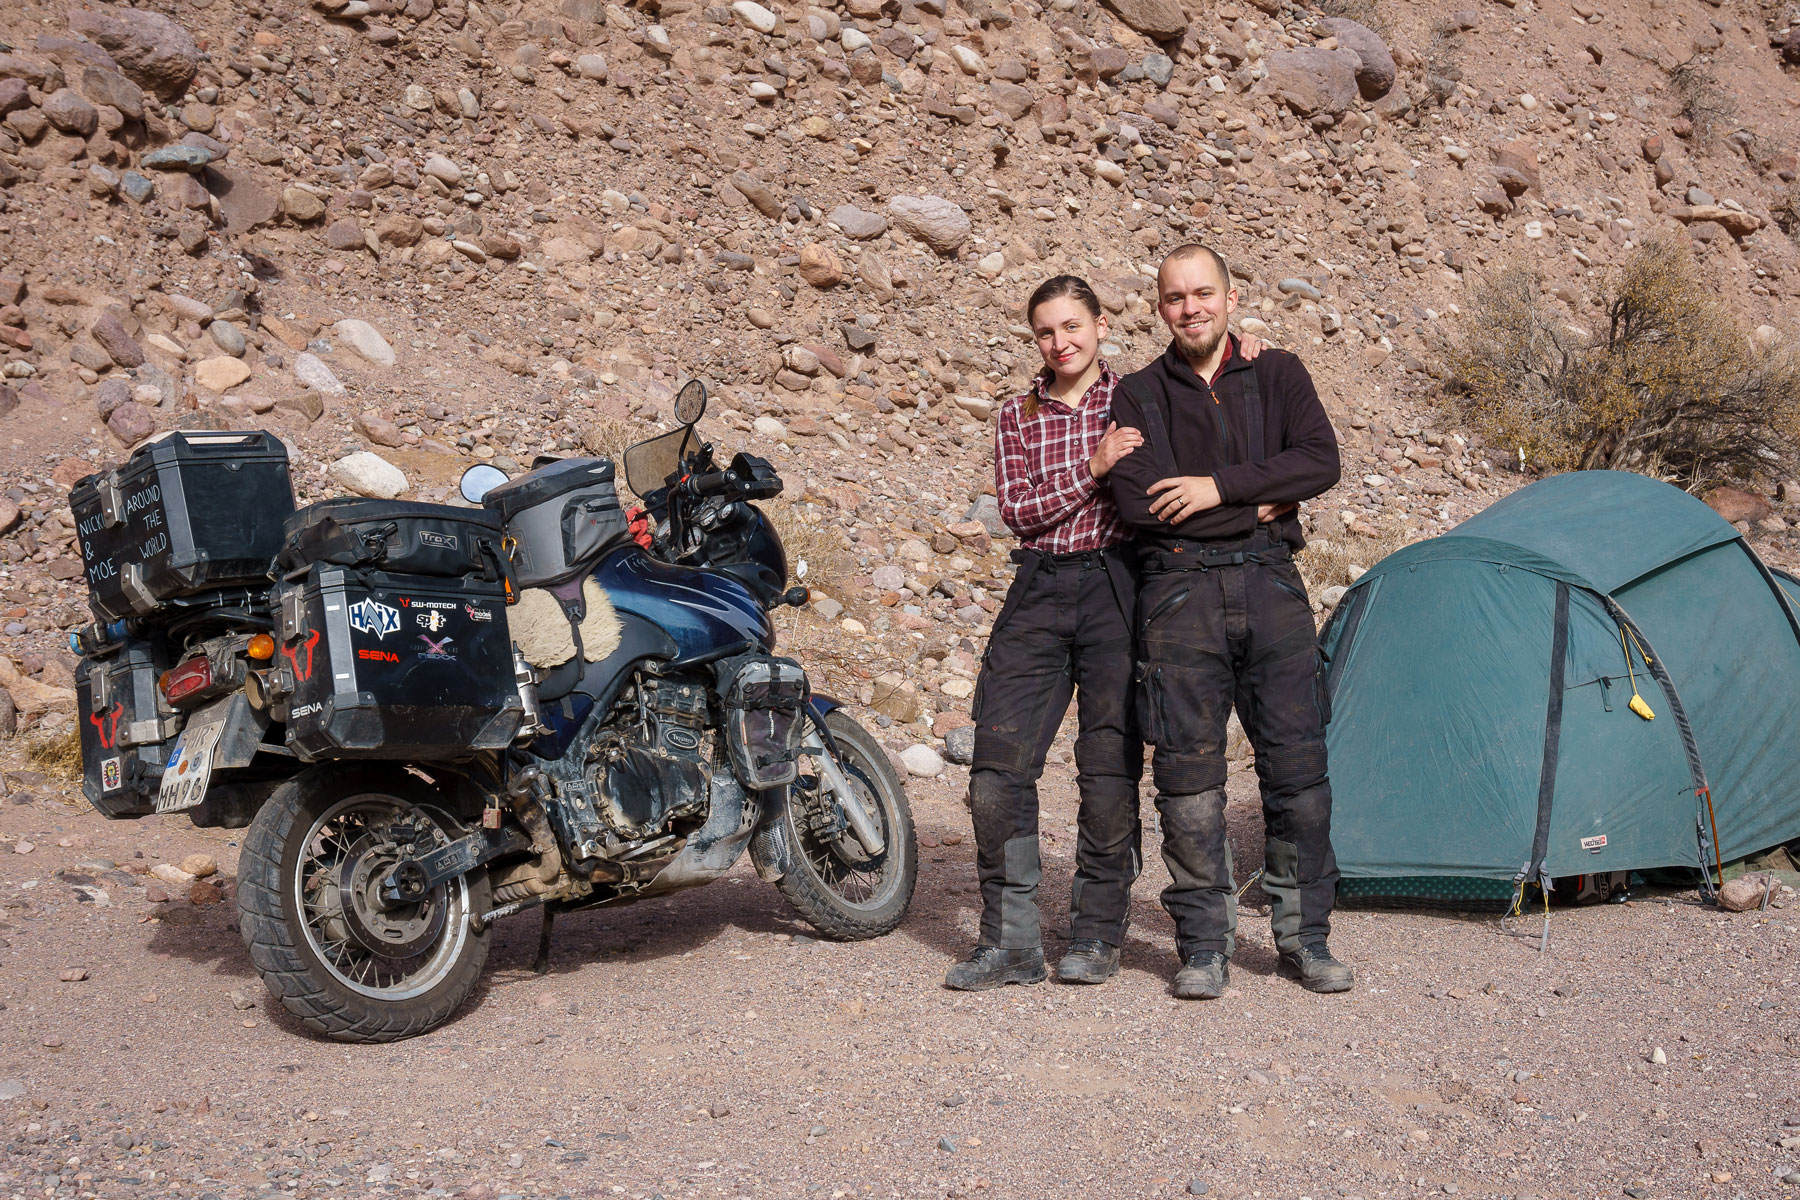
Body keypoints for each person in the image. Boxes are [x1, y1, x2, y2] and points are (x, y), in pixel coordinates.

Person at [944, 274, 1262, 991]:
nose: (1060, 343)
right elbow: (1019, 513)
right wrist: (1094, 467)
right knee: (996, 771)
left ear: (1101, 325)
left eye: (1072, 328)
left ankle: (1096, 932)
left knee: (1109, 772)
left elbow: (1209, 385)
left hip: (1120, 586)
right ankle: (1011, 942)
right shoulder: (1016, 415)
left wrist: (1253, 350)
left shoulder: (1137, 398)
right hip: (1038, 589)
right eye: (1046, 332)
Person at [1107, 243, 1352, 999]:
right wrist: (1260, 499)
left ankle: (1303, 939)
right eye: (1175, 297)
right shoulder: (1138, 395)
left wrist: (1215, 490)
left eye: (1202, 293)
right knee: (1188, 778)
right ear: (1159, 309)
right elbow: (1137, 505)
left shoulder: (1279, 374)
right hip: (1179, 596)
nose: (1191, 308)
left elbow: (1319, 461)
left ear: (1231, 296)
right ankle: (1204, 946)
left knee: (1299, 773)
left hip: (1271, 585)